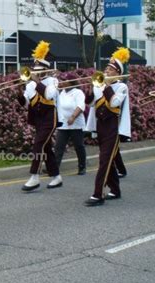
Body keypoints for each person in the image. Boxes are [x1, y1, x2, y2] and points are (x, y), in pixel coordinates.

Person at [84, 47, 131, 206]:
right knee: (108, 160)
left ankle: (98, 194)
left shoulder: (122, 87)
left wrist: (106, 86)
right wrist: (90, 89)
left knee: (104, 160)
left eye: (110, 69)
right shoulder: (100, 85)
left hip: (113, 128)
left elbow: (115, 103)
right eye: (107, 68)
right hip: (101, 127)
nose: (107, 71)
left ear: (118, 72)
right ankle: (115, 190)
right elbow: (90, 104)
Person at [20, 40, 63, 191]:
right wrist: (19, 91)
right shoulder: (30, 84)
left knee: (38, 145)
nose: (36, 72)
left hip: (50, 119)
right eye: (35, 69)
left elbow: (49, 95)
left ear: (46, 70)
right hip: (37, 120)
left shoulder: (54, 81)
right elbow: (25, 103)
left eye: (39, 70)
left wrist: (37, 81)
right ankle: (56, 176)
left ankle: (34, 176)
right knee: (46, 148)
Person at [54, 72, 87, 175]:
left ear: (71, 82)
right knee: (59, 146)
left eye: (65, 80)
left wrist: (73, 116)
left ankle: (82, 166)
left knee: (79, 146)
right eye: (62, 80)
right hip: (63, 124)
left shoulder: (78, 92)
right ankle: (55, 167)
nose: (62, 82)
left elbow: (81, 106)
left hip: (76, 124)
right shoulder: (61, 92)